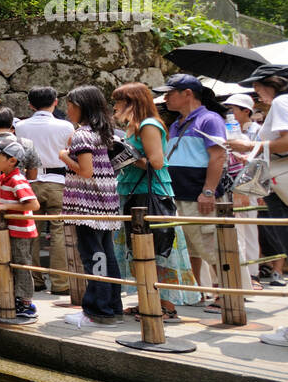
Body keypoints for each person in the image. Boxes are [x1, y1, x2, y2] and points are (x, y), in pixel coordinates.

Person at [225, 64, 288, 346]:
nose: (255, 92)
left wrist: (250, 148)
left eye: (258, 85)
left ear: (274, 83)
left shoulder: (284, 101)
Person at [110, 82, 200, 318]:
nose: (116, 107)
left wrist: (129, 155)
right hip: (132, 191)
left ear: (132, 103)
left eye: (119, 101)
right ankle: (146, 301)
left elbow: (156, 162)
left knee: (158, 250)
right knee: (137, 249)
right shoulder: (132, 127)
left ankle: (165, 305)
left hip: (151, 193)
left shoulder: (149, 125)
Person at [158, 73, 228, 306]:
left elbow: (218, 156)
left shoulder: (210, 119)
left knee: (211, 244)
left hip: (197, 191)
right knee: (191, 246)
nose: (165, 98)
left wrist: (208, 191)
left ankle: (226, 294)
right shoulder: (177, 123)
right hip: (179, 191)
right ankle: (197, 289)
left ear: (187, 93)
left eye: (170, 93)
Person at [60, 85, 123, 328]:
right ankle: (112, 307)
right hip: (105, 202)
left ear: (81, 107)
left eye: (70, 105)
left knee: (93, 257)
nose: (68, 110)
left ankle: (97, 311)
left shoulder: (82, 135)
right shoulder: (104, 132)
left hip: (87, 204)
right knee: (107, 256)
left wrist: (64, 156)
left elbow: (85, 171)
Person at [15, 86, 75, 293]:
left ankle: (35, 281)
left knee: (32, 232)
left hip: (30, 183)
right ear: (56, 101)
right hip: (59, 181)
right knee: (59, 232)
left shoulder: (21, 126)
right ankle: (61, 284)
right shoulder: (66, 126)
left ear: (30, 104)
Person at [0, 136, 40, 317]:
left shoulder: (17, 179)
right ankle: (16, 298)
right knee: (14, 264)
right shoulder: (5, 178)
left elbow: (34, 205)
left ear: (12, 161)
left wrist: (6, 207)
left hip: (22, 231)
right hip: (14, 230)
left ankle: (26, 302)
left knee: (22, 265)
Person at [224, 92, 264, 291]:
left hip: (249, 184)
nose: (229, 113)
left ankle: (253, 273)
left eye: (233, 110)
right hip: (230, 183)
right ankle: (241, 273)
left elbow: (261, 159)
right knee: (236, 229)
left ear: (246, 111)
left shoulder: (257, 131)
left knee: (249, 228)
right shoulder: (227, 130)